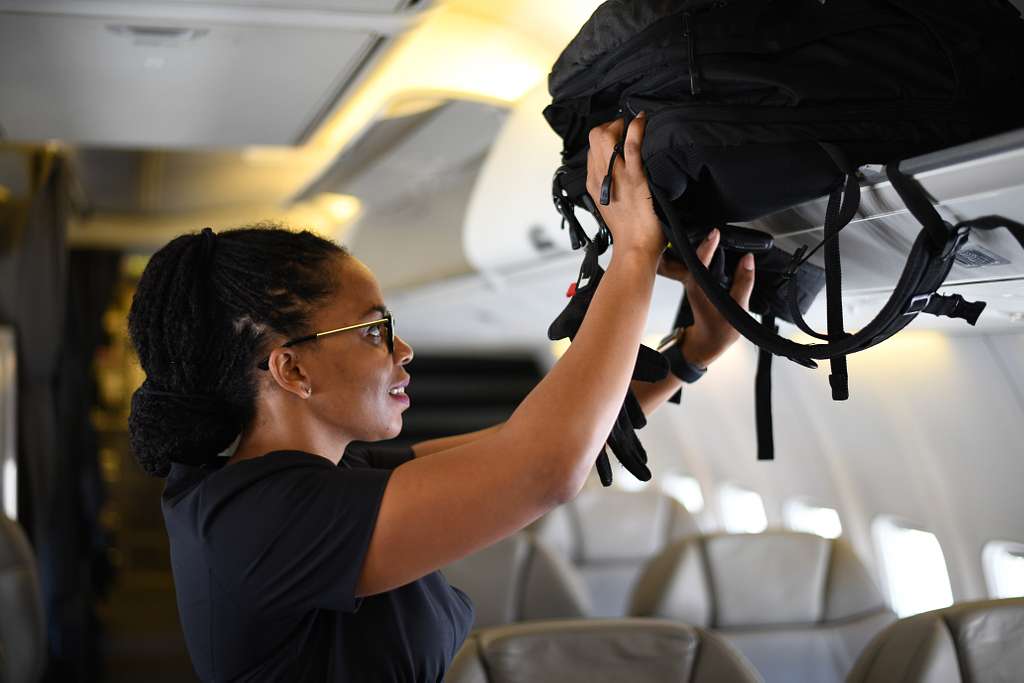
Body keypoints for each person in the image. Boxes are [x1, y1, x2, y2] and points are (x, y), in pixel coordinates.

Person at [126, 114, 756, 682]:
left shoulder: (320, 479)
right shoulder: (260, 520)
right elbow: (544, 467)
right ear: (291, 369)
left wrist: (688, 356)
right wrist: (634, 253)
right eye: (376, 330)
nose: (403, 352)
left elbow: (539, 445)